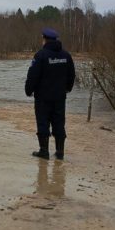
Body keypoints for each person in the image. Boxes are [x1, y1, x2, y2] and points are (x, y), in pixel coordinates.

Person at [24, 28, 75, 160]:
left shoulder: (40, 55)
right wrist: (68, 88)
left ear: (45, 39)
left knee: (43, 122)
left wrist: (28, 90)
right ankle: (60, 152)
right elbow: (71, 75)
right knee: (59, 122)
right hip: (59, 97)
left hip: (43, 97)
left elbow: (33, 75)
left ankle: (44, 151)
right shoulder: (66, 55)